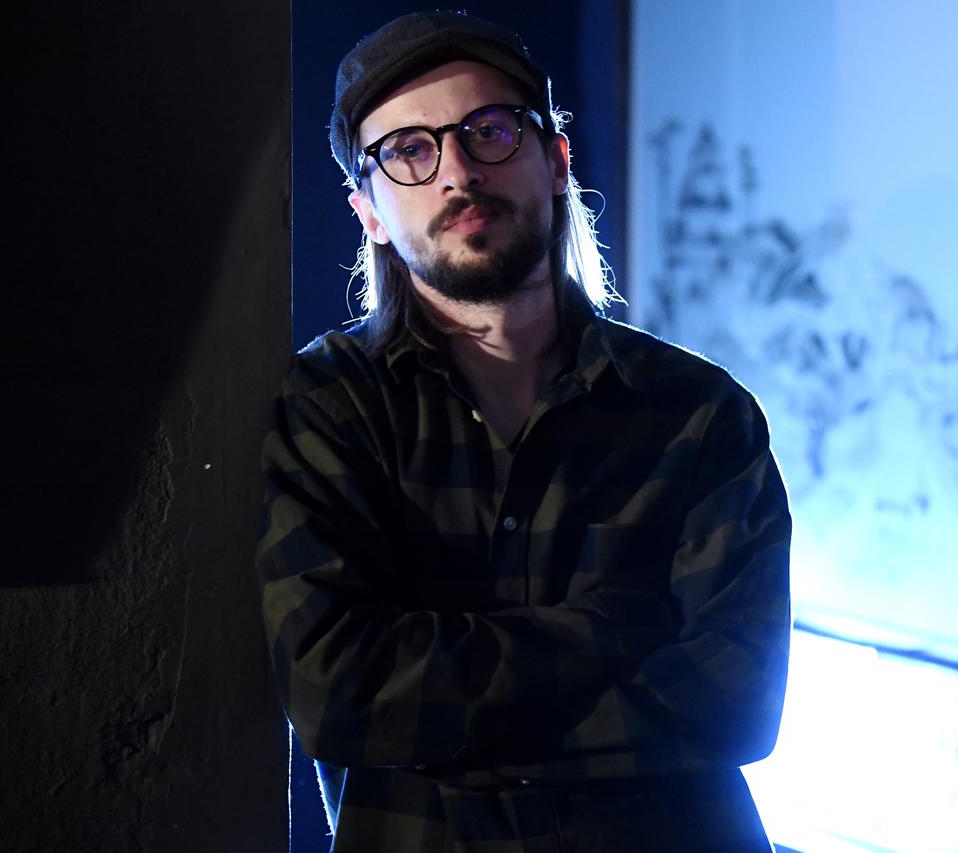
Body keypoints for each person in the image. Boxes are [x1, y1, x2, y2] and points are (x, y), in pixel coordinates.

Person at [256, 11, 792, 851]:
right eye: (409, 151)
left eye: (491, 131)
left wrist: (449, 733)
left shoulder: (698, 414)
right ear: (368, 211)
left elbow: (736, 704)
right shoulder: (332, 404)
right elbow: (339, 693)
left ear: (556, 161)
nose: (458, 172)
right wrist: (612, 628)